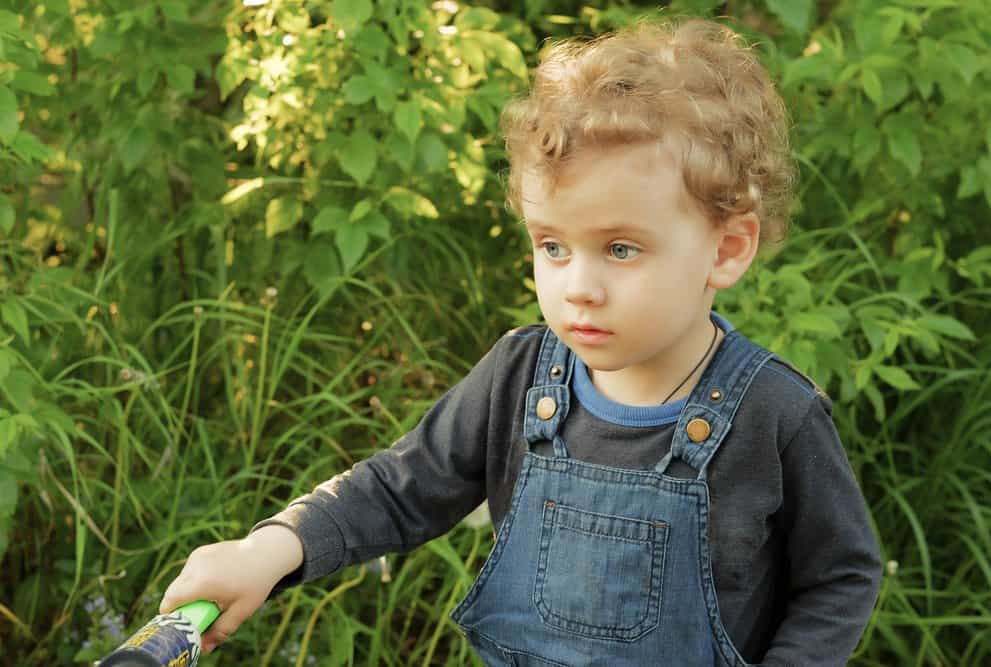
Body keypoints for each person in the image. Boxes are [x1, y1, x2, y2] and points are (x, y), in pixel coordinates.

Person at [160, 17, 883, 666]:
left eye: (622, 249)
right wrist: (268, 549)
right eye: (553, 246)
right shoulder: (521, 377)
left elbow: (841, 574)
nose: (579, 287)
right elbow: (396, 488)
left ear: (726, 249)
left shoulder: (774, 412)